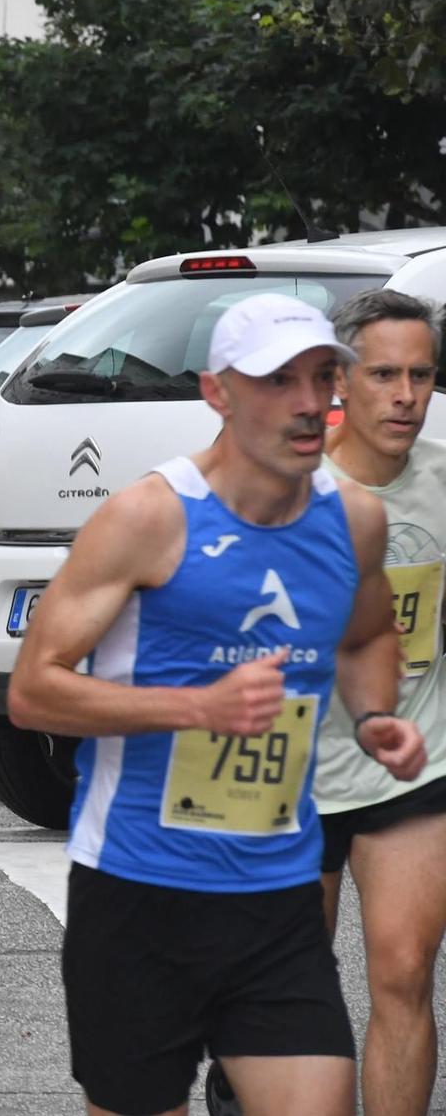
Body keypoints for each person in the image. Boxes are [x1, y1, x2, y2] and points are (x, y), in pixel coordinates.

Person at [6, 292, 427, 1116]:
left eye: (321, 377)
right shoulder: (149, 517)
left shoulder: (355, 523)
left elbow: (367, 634)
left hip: (277, 895)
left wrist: (374, 715)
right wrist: (196, 707)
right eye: (278, 382)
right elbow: (33, 688)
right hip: (138, 891)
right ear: (218, 393)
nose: (308, 403)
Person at [312, 289, 446, 1116]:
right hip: (285, 773)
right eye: (386, 373)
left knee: (404, 970)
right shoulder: (287, 487)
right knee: (287, 987)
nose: (407, 396)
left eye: (423, 375)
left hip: (413, 762)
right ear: (339, 380)